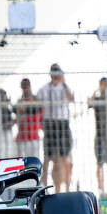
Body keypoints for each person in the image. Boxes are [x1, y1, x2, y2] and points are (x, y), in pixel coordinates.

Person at [37, 63, 74, 192]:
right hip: (50, 123)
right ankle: (45, 188)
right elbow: (38, 105)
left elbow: (71, 98)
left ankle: (63, 188)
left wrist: (64, 83)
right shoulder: (44, 89)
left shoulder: (65, 88)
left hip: (62, 124)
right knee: (48, 157)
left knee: (63, 157)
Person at [87, 77, 107, 194]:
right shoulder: (97, 98)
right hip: (100, 135)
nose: (105, 87)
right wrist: (97, 90)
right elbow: (89, 103)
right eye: (103, 85)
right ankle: (101, 188)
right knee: (100, 162)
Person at [14, 77, 42, 160]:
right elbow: (18, 114)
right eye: (23, 87)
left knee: (34, 160)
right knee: (22, 161)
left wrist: (25, 109)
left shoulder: (35, 100)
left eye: (26, 86)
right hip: (22, 136)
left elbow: (37, 112)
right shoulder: (20, 101)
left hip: (33, 136)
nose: (25, 89)